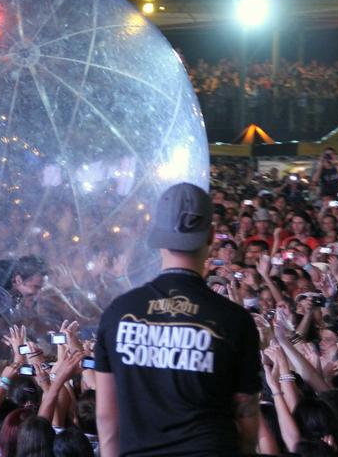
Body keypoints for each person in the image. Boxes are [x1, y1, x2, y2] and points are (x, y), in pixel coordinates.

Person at [94, 182, 261, 456]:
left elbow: (106, 417)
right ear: (210, 236)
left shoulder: (118, 313)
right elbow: (246, 416)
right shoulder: (234, 319)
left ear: (157, 236)